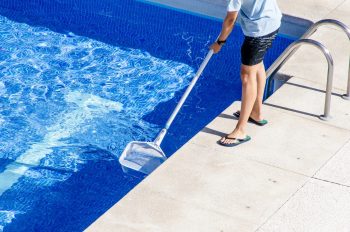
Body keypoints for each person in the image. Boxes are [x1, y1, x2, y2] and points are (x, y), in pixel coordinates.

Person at [211, 0, 282, 147]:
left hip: (259, 32)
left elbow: (231, 19)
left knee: (246, 76)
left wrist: (220, 42)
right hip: (272, 22)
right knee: (257, 64)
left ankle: (240, 130)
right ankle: (256, 112)